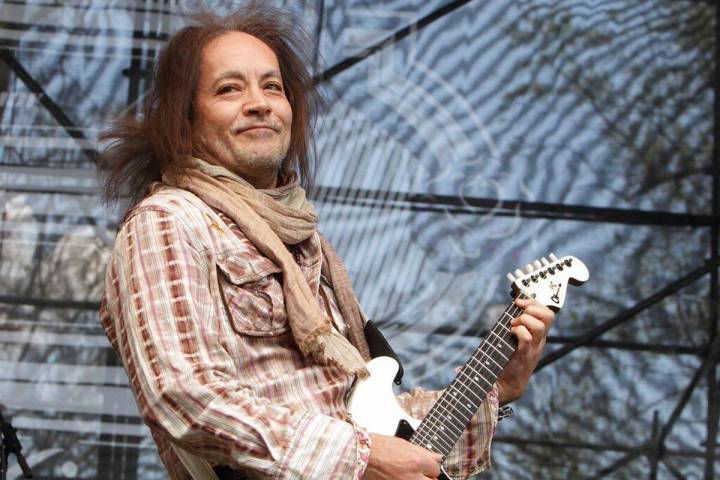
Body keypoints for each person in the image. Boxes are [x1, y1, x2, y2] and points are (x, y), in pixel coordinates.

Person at [98, 4, 555, 480]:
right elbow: (183, 393)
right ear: (186, 120)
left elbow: (391, 433)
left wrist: (498, 386)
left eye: (271, 86)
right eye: (229, 89)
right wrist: (360, 457)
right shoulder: (170, 220)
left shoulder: (308, 245)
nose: (259, 102)